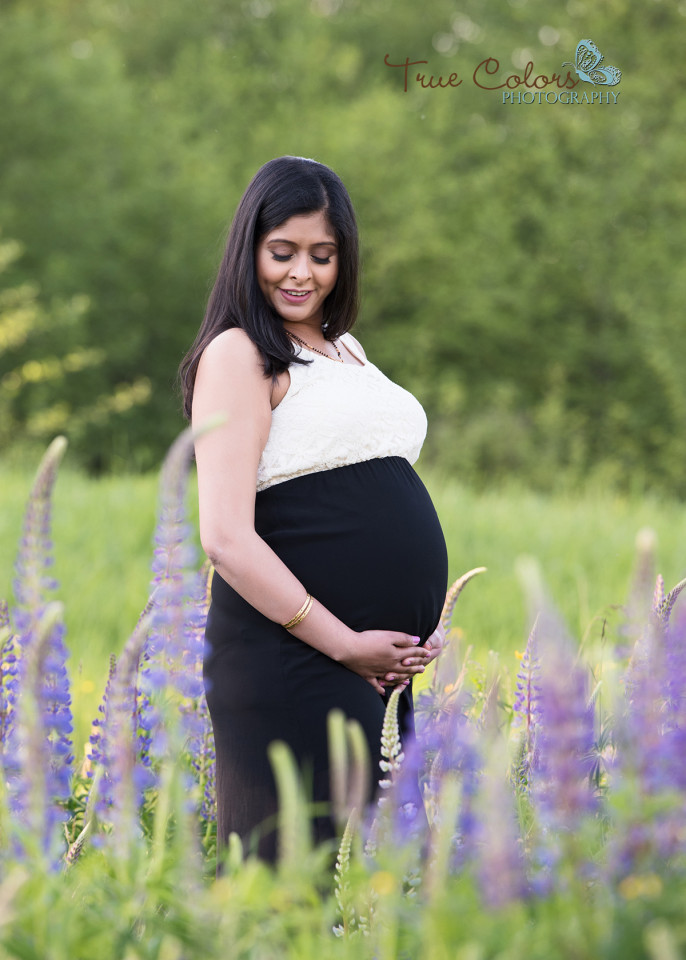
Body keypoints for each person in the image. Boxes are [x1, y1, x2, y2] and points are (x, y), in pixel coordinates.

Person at [179, 156, 448, 862]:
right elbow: (227, 537)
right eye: (283, 252)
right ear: (250, 251)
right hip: (292, 657)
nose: (302, 273)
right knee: (296, 890)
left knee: (374, 890)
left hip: (365, 665)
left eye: (322, 256)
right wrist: (342, 642)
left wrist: (416, 634)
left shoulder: (345, 349)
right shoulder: (241, 354)